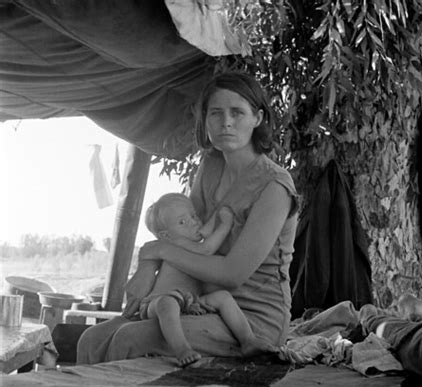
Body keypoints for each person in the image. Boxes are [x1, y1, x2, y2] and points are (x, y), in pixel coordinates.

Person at [77, 71, 299, 364]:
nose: (226, 122)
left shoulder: (274, 186)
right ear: (205, 119)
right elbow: (184, 236)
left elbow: (232, 274)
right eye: (216, 113)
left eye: (237, 113)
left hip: (249, 317)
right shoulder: (211, 166)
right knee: (91, 339)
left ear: (257, 118)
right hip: (197, 301)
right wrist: (147, 266)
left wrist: (158, 249)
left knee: (129, 339)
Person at [132, 192, 277, 366]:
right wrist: (225, 224)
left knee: (222, 297)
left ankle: (248, 340)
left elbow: (205, 243)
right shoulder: (175, 244)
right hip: (158, 302)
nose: (194, 222)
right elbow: (207, 249)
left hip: (190, 302)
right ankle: (182, 348)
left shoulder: (187, 243)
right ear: (166, 236)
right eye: (182, 222)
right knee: (168, 304)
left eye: (193, 216)